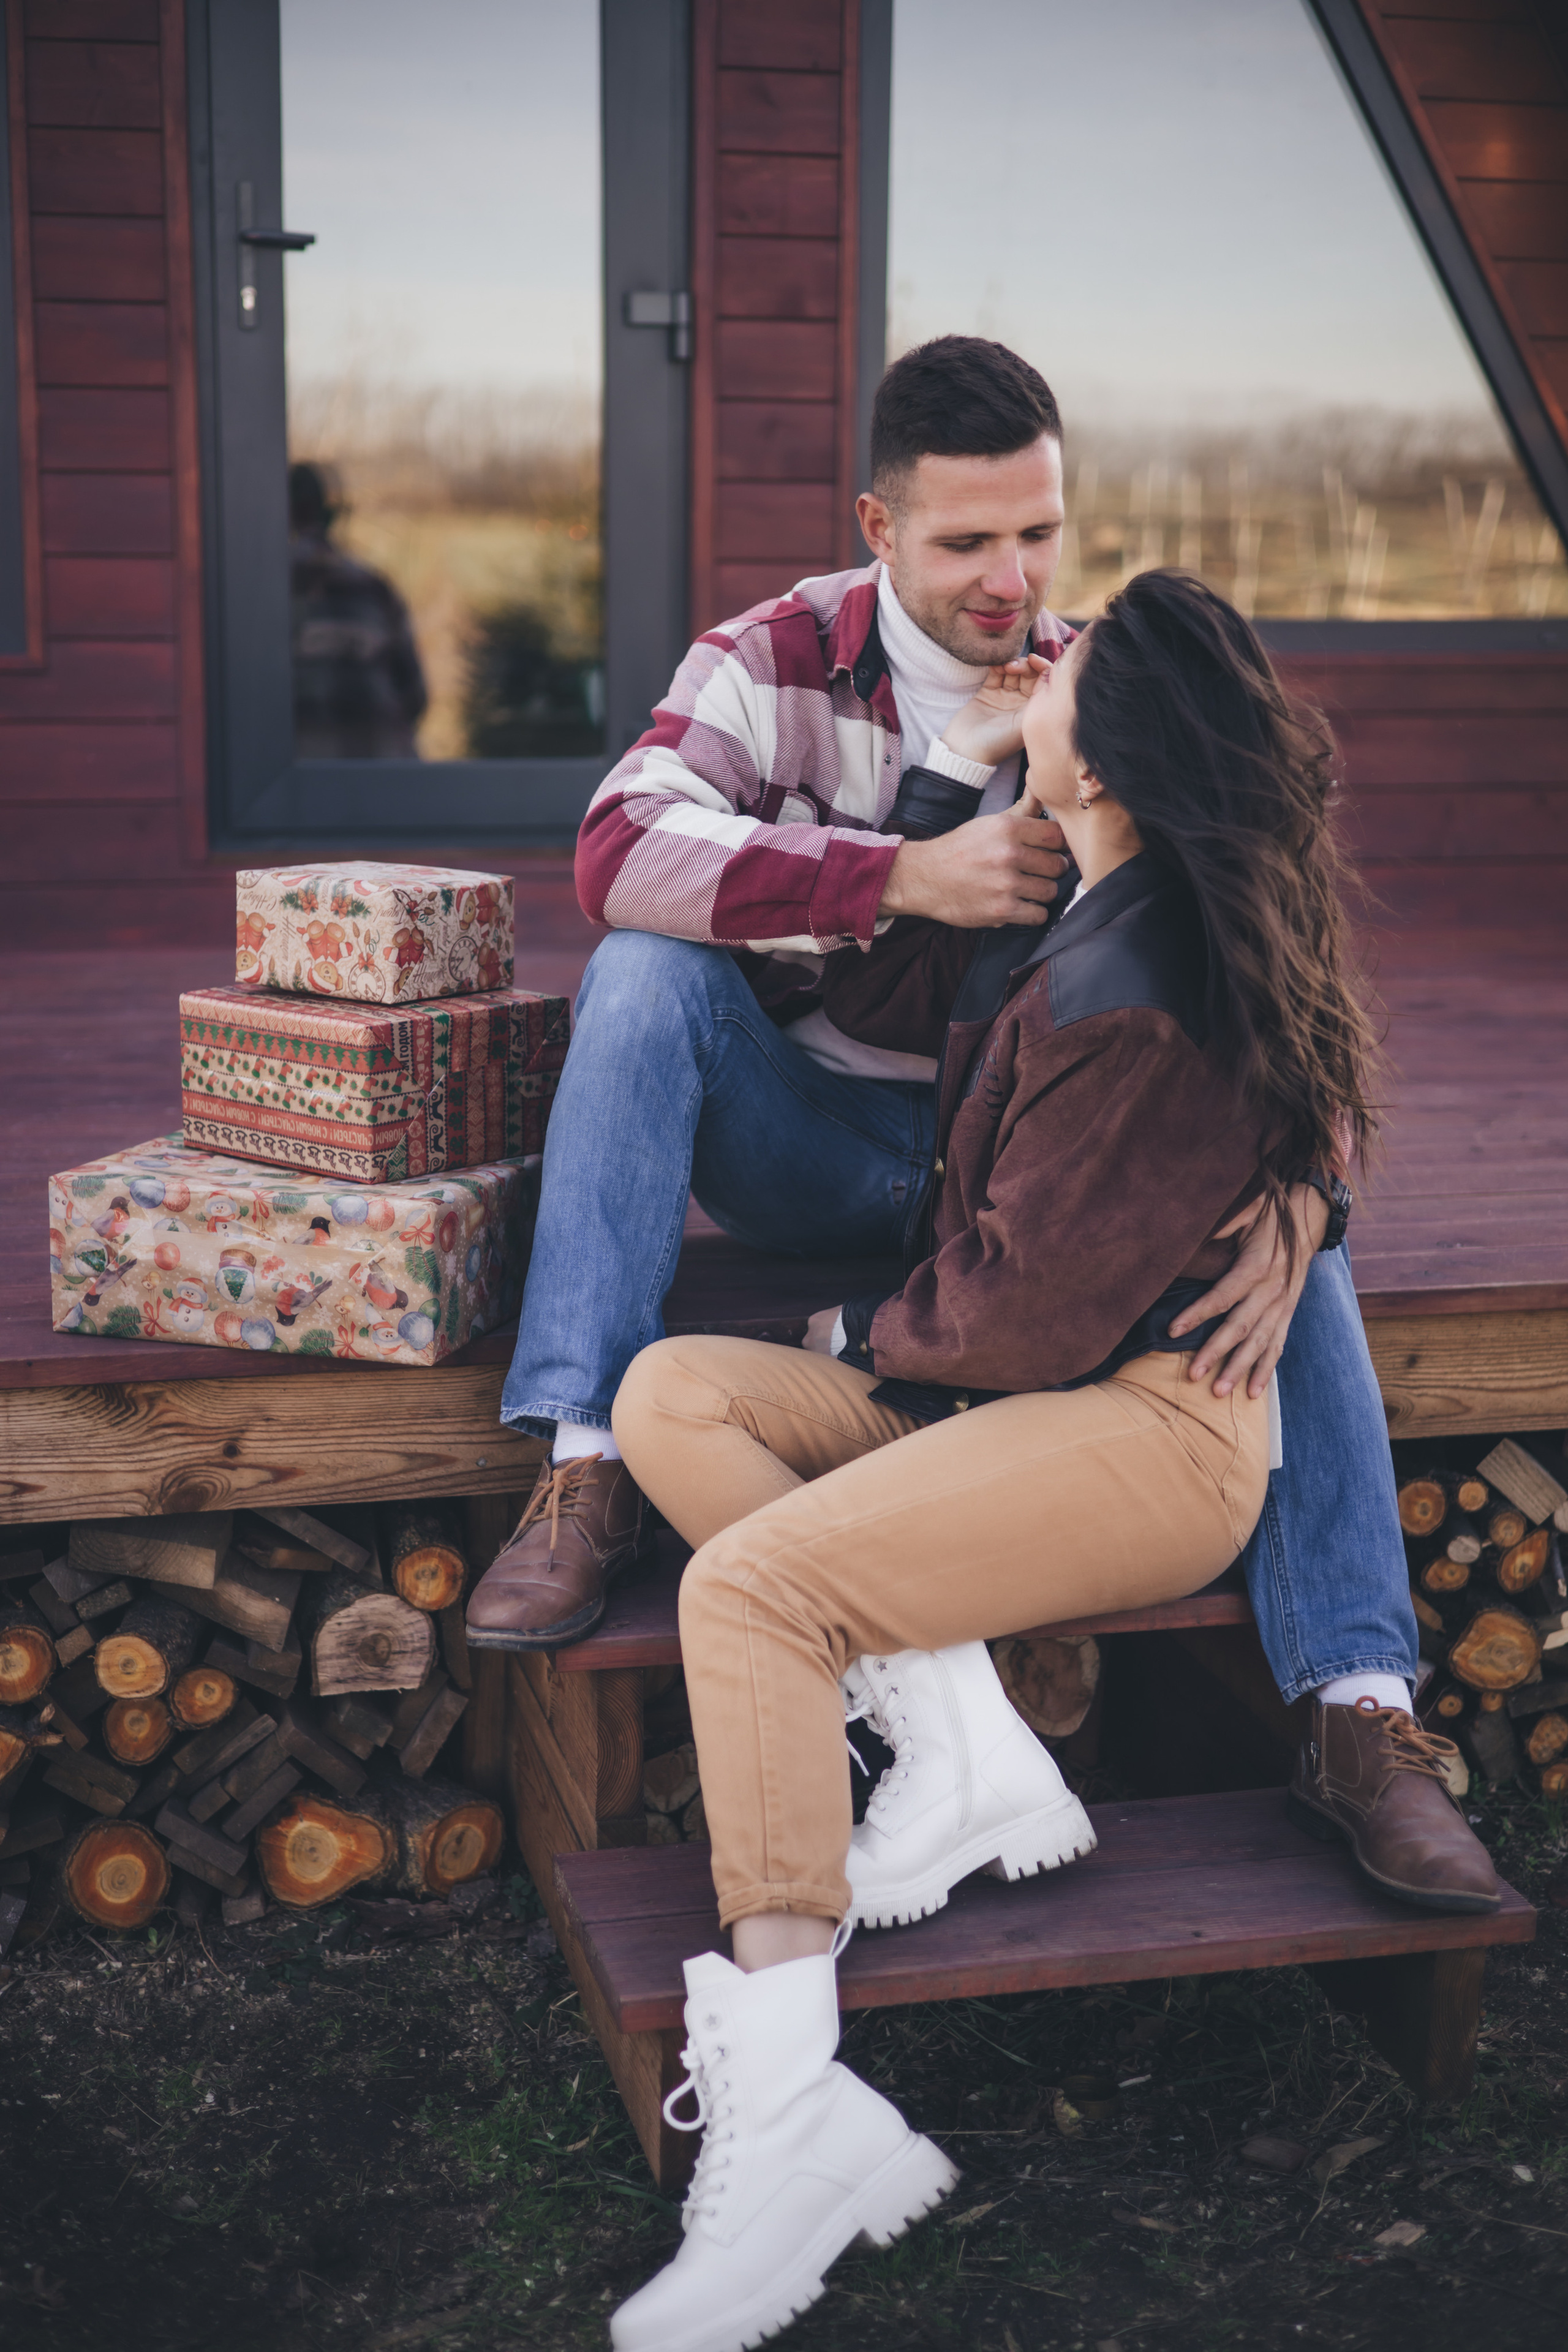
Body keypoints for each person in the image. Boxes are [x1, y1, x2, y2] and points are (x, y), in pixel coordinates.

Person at [467, 334, 1490, 1912]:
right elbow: (616, 848)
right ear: (876, 525)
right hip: (813, 1138)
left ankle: (1357, 1705)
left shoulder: (1104, 690)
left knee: (1281, 1245)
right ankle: (584, 1454)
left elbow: (1274, 966)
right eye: (964, 542)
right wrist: (896, 874)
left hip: (1038, 1183)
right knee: (642, 974)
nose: (1013, 579)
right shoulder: (773, 660)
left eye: (1037, 532)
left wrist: (1310, 1189)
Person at [601, 570, 1494, 2352]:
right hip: (1019, 1388)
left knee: (752, 1586)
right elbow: (905, 968)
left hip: (1138, 1426)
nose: (1039, 649)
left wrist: (860, 1347)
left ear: (1129, 748)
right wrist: (986, 752)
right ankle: (962, 1727)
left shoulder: (1149, 971)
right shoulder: (1089, 886)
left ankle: (793, 2129)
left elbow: (1020, 1314)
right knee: (668, 1397)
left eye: (1073, 658)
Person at [288, 460, 428, 759]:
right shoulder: (373, 587)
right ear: (333, 516)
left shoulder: (254, 594)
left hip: (296, 781)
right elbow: (415, 696)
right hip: (379, 771)